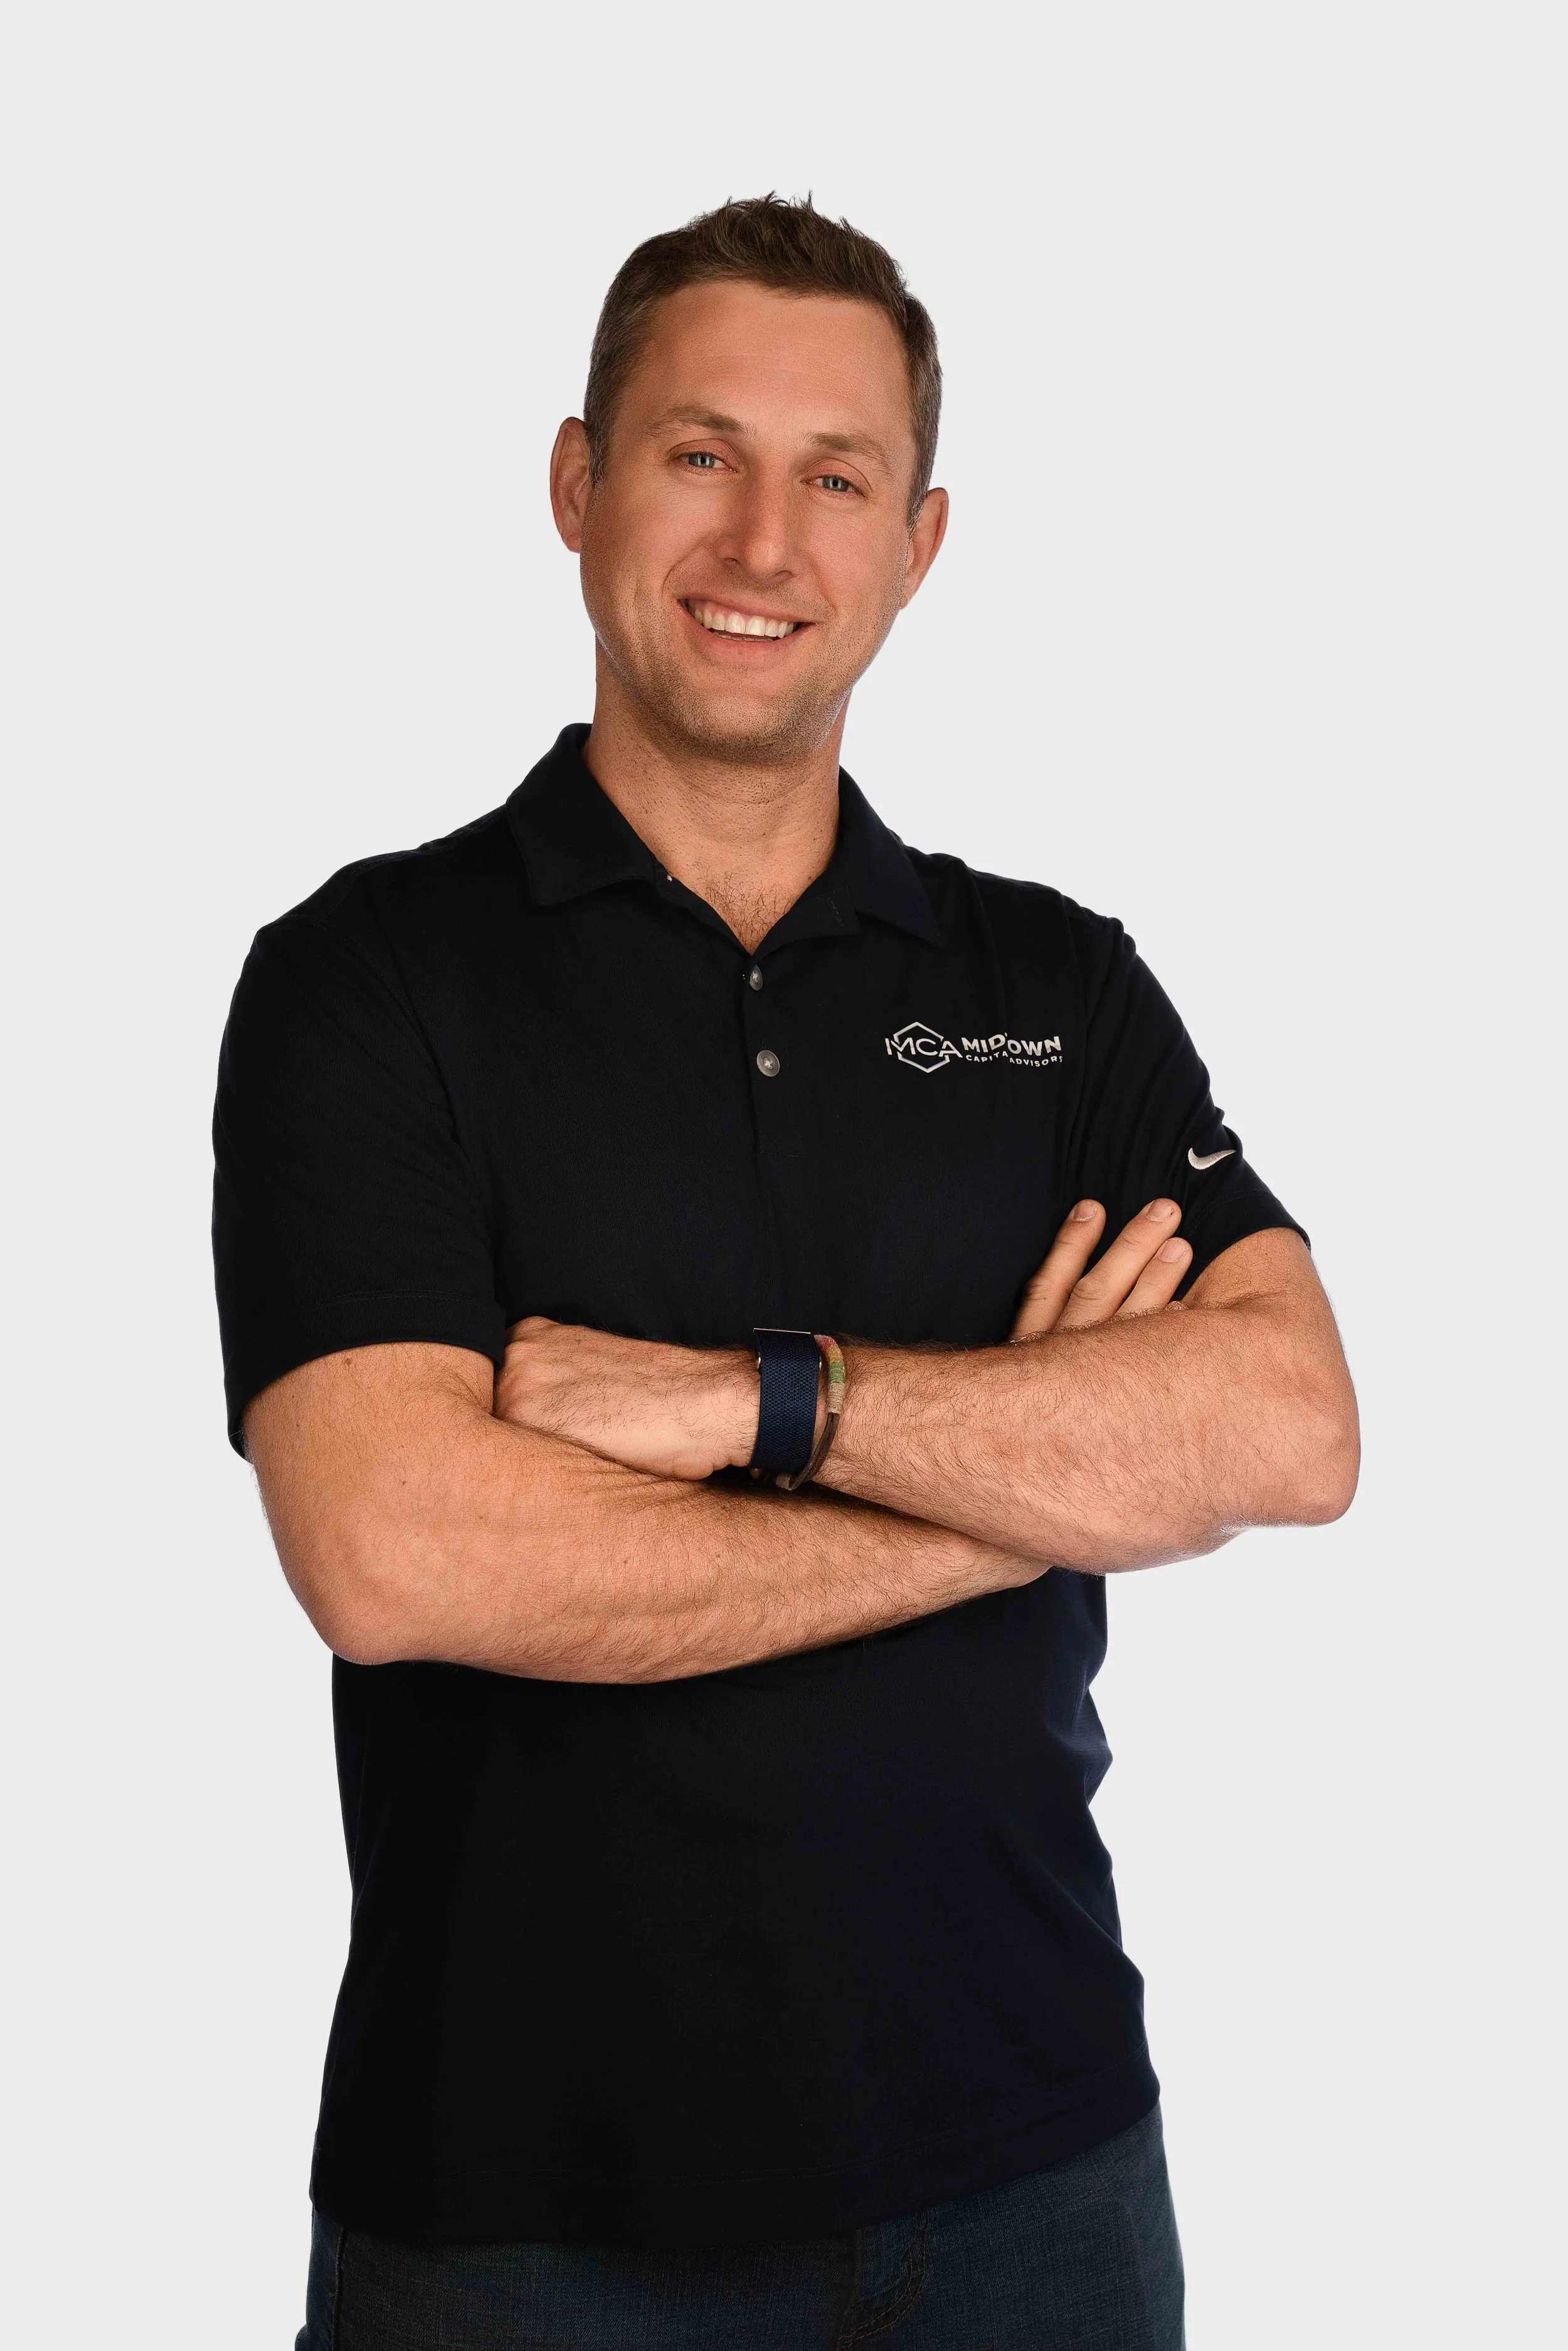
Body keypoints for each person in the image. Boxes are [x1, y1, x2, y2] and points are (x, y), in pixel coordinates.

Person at [214, 195, 1359, 2351]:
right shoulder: (366, 982)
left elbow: (1288, 1429)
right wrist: (1006, 1502)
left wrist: (764, 1399)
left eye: (834, 478)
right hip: (516, 2220)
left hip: (1039, 2180)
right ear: (574, 483)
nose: (764, 542)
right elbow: (394, 1548)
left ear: (918, 542)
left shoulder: (1048, 985)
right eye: (696, 454)